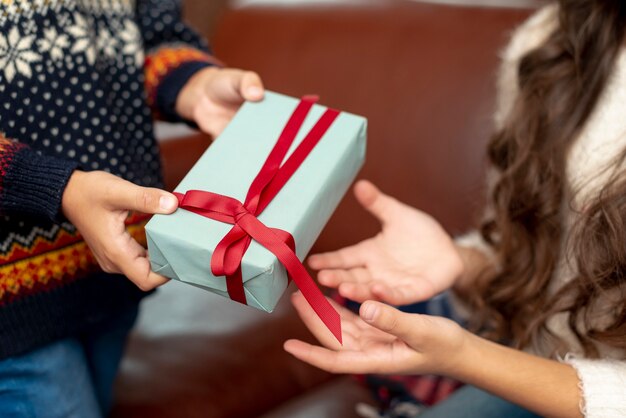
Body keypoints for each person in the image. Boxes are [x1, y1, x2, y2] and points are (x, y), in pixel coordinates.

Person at [283, 2, 626, 417]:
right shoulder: (551, 38)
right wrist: (460, 261)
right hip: (532, 363)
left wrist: (463, 355)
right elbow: (534, 273)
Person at [0, 1, 264, 417]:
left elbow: (147, 34)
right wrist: (58, 188)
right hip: (10, 307)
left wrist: (193, 84)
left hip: (111, 277)